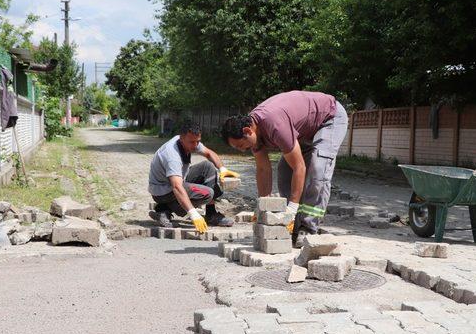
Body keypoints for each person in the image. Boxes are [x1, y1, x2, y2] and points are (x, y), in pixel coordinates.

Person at [221, 90, 348, 245]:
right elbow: (263, 169)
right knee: (284, 170)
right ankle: (290, 224)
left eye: (241, 145)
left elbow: (299, 167)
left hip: (329, 118)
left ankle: (308, 227)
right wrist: (263, 208)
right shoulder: (254, 132)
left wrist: (292, 208)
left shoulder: (274, 124)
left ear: (247, 131)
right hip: (304, 130)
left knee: (318, 169)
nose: (242, 150)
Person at [148, 121, 239, 233]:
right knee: (207, 193)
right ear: (181, 138)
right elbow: (176, 187)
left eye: (198, 141)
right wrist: (193, 214)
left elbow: (209, 153)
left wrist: (222, 169)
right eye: (192, 142)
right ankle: (163, 209)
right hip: (162, 191)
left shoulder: (189, 141)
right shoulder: (172, 155)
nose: (195, 145)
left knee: (208, 166)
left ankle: (211, 214)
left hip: (177, 181)